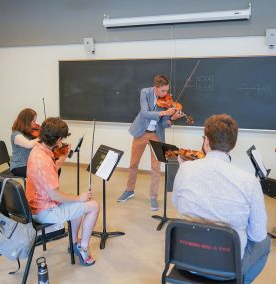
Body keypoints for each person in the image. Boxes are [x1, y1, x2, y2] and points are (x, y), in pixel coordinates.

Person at [172, 114, 270, 284]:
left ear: (206, 141)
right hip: (226, 267)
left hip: (185, 258)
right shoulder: (249, 182)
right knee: (265, 242)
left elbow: (177, 204)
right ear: (233, 144)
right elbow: (257, 234)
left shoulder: (185, 169)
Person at [25, 117, 100, 266]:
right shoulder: (44, 160)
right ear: (58, 139)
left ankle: (73, 243)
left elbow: (51, 171)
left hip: (36, 203)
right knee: (94, 205)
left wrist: (63, 156)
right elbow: (54, 195)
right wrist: (79, 197)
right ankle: (83, 247)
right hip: (44, 211)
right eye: (61, 139)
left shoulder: (39, 149)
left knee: (76, 207)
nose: (62, 142)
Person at [117, 75, 183, 211]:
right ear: (156, 88)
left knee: (156, 167)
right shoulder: (145, 92)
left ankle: (153, 197)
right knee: (133, 163)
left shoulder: (167, 100)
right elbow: (145, 113)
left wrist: (172, 119)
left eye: (167, 91)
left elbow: (164, 124)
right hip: (141, 132)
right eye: (163, 91)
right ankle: (130, 190)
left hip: (155, 135)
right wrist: (165, 111)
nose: (166, 94)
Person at [10, 108, 40, 177]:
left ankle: (48, 187)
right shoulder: (16, 135)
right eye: (33, 121)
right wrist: (42, 136)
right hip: (19, 166)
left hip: (30, 163)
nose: (36, 123)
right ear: (26, 122)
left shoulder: (28, 132)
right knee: (44, 172)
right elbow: (29, 144)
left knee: (53, 167)